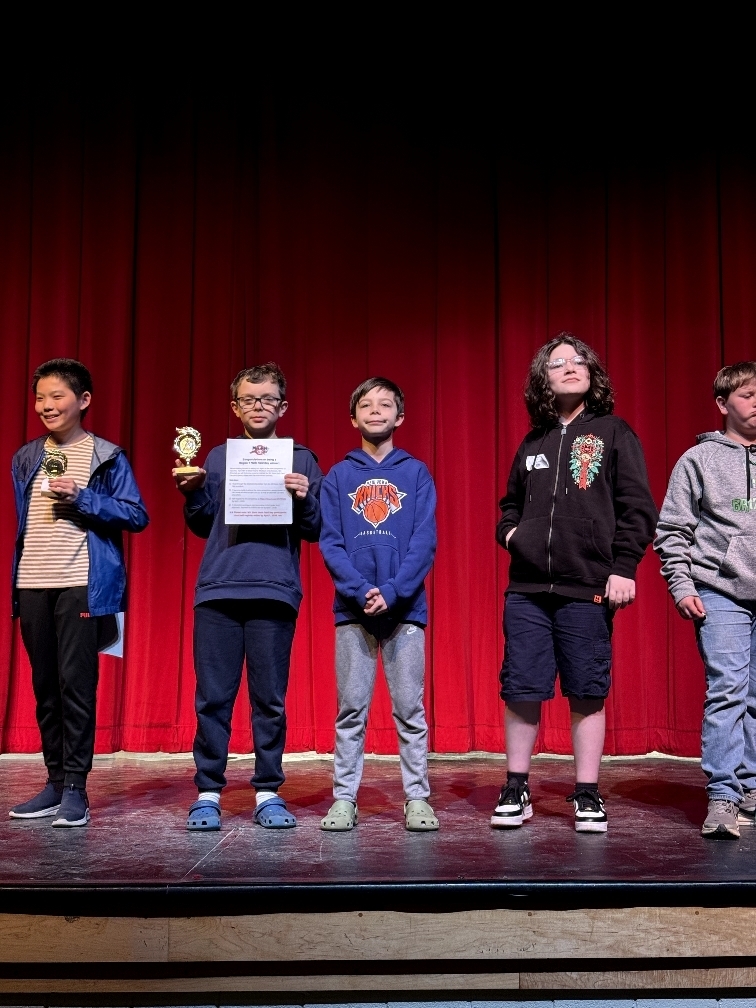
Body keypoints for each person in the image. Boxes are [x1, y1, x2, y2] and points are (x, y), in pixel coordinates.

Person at [494, 333, 657, 833]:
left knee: (586, 689)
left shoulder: (613, 432)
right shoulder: (533, 441)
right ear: (543, 378)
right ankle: (516, 786)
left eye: (577, 361)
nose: (569, 367)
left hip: (587, 586)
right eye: (557, 362)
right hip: (526, 590)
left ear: (592, 373)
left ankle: (587, 792)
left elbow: (638, 508)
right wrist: (512, 535)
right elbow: (509, 506)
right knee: (521, 685)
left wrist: (623, 567)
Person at [174, 362, 322, 831]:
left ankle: (267, 791)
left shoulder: (301, 458)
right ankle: (208, 792)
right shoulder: (217, 457)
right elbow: (202, 525)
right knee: (213, 698)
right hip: (218, 589)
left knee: (269, 699)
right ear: (234, 407)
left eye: (267, 399)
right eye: (248, 400)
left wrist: (304, 498)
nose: (258, 407)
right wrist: (193, 493)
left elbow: (315, 529)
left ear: (283, 407)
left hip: (274, 590)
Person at [9, 358, 149, 827]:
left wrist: (83, 498)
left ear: (83, 401)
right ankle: (52, 782)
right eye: (40, 398)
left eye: (57, 396)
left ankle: (76, 789)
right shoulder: (25, 457)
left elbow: (136, 515)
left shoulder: (105, 455)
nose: (46, 406)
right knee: (45, 686)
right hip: (33, 582)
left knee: (76, 686)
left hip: (82, 585)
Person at [318, 377, 438, 832]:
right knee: (351, 708)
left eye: (385, 405)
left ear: (399, 416)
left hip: (404, 610)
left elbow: (424, 542)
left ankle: (417, 798)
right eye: (365, 406)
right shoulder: (339, 475)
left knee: (410, 707)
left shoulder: (416, 473)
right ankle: (344, 798)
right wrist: (358, 589)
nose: (375, 411)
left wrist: (392, 591)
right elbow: (331, 542)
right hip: (353, 611)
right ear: (353, 418)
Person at [655, 361, 756, 840]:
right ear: (723, 404)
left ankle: (753, 788)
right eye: (747, 395)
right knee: (728, 691)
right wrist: (683, 585)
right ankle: (723, 794)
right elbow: (673, 529)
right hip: (721, 591)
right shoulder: (699, 461)